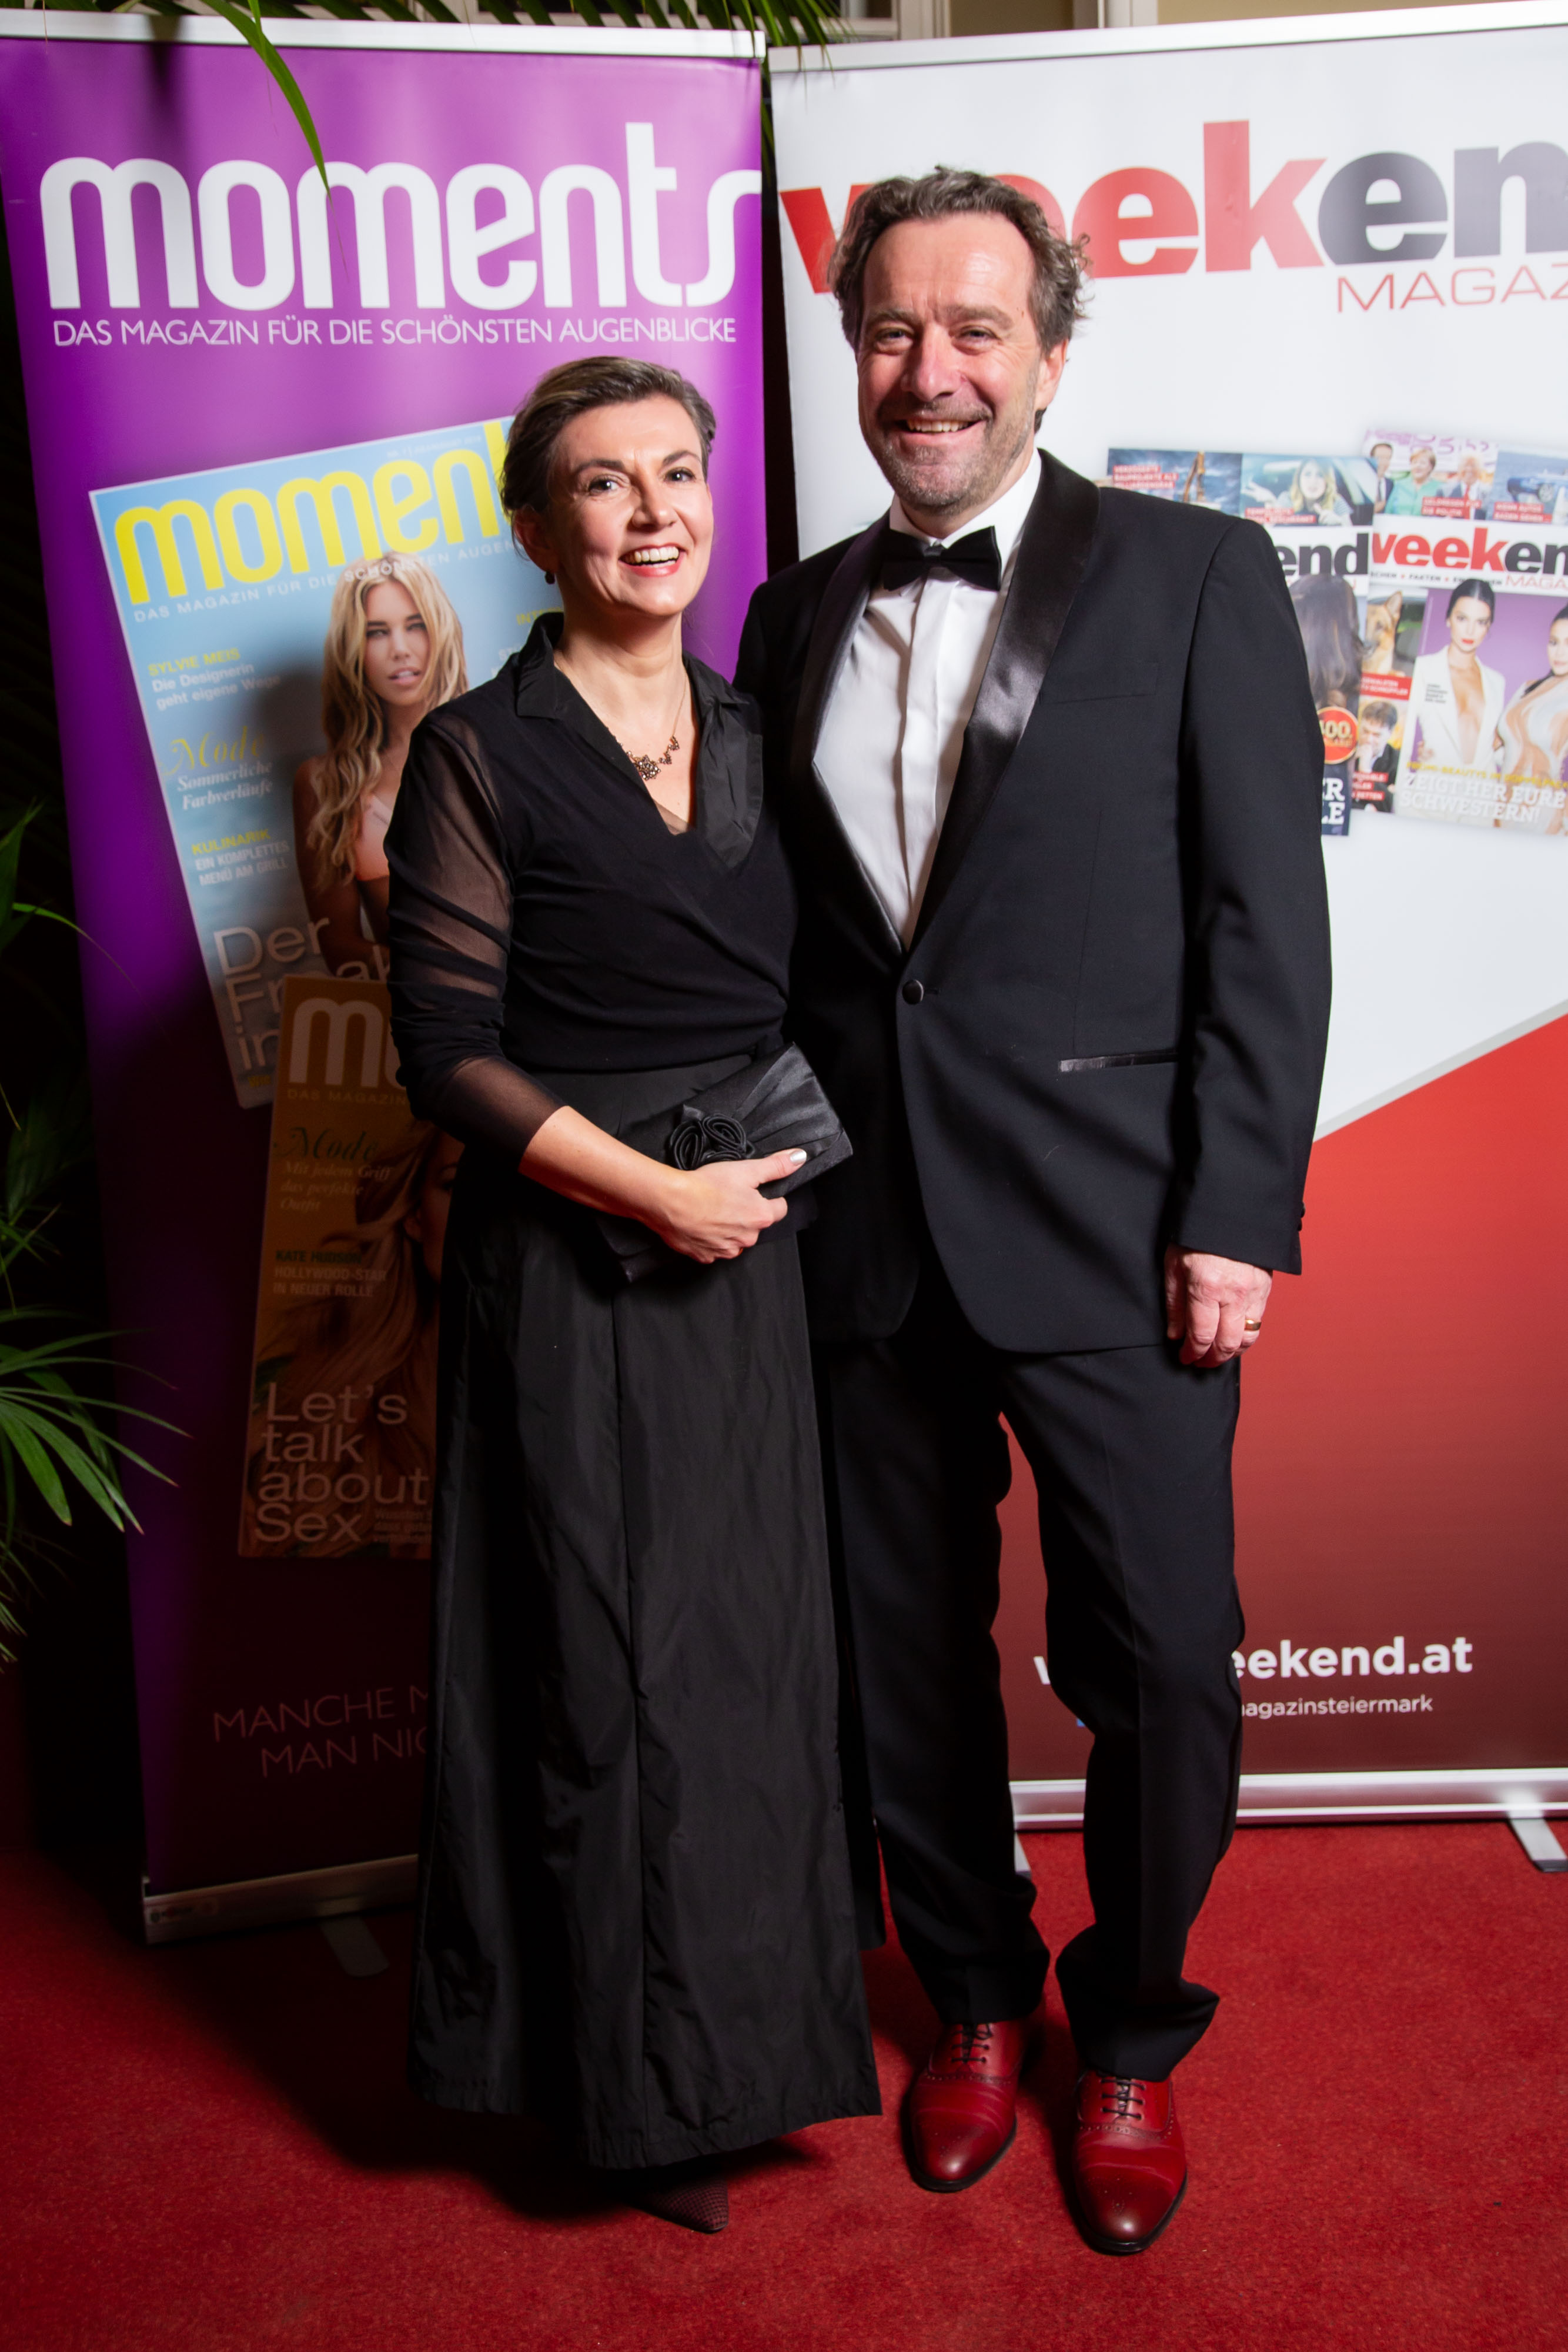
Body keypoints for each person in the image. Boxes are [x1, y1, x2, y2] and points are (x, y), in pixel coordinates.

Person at [738, 169, 1330, 2255]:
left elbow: (1265, 923)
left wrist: (1234, 1213)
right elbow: (802, 952)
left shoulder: (1198, 574)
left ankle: (1134, 2031)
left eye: (975, 329)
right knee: (900, 1658)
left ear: (1050, 356)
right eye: (894, 330)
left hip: (1118, 1235)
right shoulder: (787, 610)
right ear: (852, 354)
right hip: (864, 1237)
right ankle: (975, 1998)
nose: (932, 370)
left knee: (1162, 1663)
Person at [385, 358, 878, 2237]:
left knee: (752, 1668)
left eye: (678, 472)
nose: (653, 511)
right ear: (535, 527)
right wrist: (653, 1191)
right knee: (604, 1675)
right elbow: (447, 1052)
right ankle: (629, 2093)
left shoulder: (758, 726)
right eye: (604, 484)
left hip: (755, 1255)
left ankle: (750, 2056)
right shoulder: (478, 752)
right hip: (581, 1259)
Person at [242, 1120, 462, 1557]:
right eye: (456, 1185)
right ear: (416, 1215)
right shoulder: (291, 1397)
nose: (486, 1215)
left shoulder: (581, 1390)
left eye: (511, 1192)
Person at [295, 555, 467, 974]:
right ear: (353, 649)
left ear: (440, 632)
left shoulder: (497, 744)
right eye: (377, 633)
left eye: (415, 625)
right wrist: (453, 974)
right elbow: (340, 950)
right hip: (431, 1005)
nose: (400, 650)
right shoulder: (324, 784)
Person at [1401, 578, 1506, 824]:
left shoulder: (1496, 682)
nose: (1470, 631)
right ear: (1449, 618)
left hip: (1481, 808)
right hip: (1429, 804)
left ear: (1489, 626)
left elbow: (1495, 751)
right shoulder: (1423, 670)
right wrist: (1401, 804)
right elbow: (1402, 743)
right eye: (1462, 619)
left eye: (1481, 622)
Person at [1499, 602, 1568, 833]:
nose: (1559, 653)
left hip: (1542, 814)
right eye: (1554, 642)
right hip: (1501, 804)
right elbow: (1502, 748)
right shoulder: (1527, 688)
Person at [1385, 445, 1437, 514]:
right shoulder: (1400, 485)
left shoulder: (1439, 488)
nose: (1418, 466)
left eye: (1423, 463)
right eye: (1415, 462)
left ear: (1431, 467)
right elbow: (1389, 510)